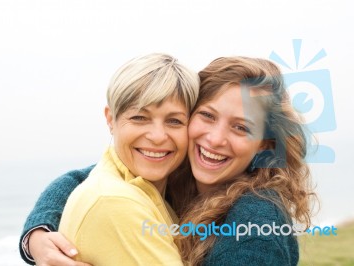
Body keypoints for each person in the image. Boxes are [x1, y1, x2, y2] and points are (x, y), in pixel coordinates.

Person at [20, 56, 315, 266]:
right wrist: (37, 235)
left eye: (241, 127)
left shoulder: (255, 219)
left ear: (265, 144)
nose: (214, 139)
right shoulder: (177, 177)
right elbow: (83, 180)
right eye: (207, 116)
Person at [19, 52, 200, 266]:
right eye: (139, 118)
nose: (158, 136)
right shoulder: (115, 202)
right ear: (110, 119)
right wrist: (37, 232)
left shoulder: (153, 186)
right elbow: (94, 191)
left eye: (175, 121)